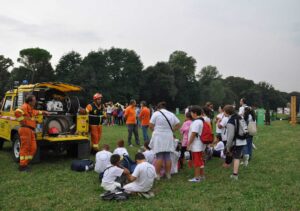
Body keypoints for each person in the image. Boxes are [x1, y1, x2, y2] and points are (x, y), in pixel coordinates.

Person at [15, 94, 49, 171]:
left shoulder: (30, 108)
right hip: (25, 130)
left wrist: (44, 112)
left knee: (33, 148)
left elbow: (36, 112)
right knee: (25, 148)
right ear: (30, 101)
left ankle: (25, 163)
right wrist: (22, 121)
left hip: (31, 130)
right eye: (34, 100)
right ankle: (22, 166)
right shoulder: (24, 106)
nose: (35, 101)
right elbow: (17, 112)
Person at [149, 101, 180, 180]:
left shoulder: (156, 113)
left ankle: (158, 175)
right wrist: (171, 130)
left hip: (159, 136)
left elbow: (151, 125)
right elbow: (178, 125)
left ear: (158, 107)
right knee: (167, 156)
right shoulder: (171, 114)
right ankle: (168, 174)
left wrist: (155, 131)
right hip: (168, 136)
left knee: (159, 156)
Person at [223, 105, 247, 180]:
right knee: (237, 155)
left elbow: (230, 136)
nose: (223, 113)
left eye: (224, 111)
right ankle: (245, 157)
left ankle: (235, 175)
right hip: (243, 139)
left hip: (237, 142)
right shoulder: (239, 117)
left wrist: (228, 146)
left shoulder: (231, 121)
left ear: (227, 112)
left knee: (236, 158)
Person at [187, 105, 205, 182]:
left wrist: (188, 144)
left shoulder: (196, 122)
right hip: (200, 144)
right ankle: (201, 175)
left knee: (197, 161)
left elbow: (193, 134)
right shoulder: (201, 121)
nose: (190, 114)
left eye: (191, 113)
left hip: (196, 145)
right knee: (200, 161)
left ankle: (197, 178)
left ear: (194, 113)